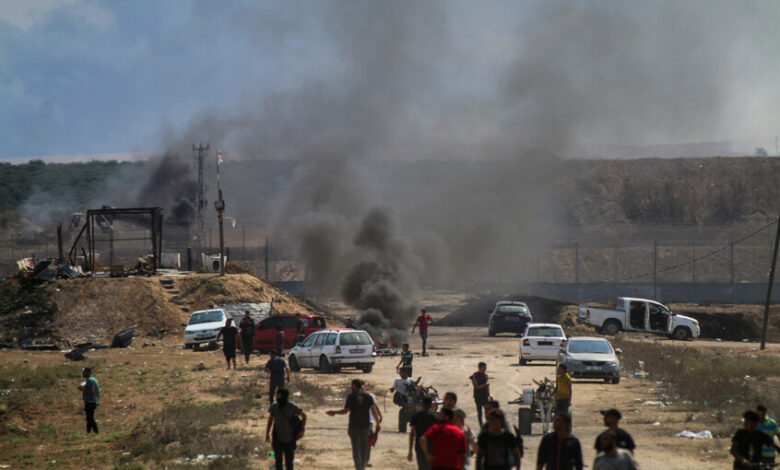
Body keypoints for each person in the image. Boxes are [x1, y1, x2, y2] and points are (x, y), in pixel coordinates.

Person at [327, 379, 382, 470]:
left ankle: (358, 467)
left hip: (354, 426)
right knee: (364, 447)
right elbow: (373, 410)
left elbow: (346, 411)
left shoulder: (351, 396)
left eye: (352, 386)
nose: (351, 387)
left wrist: (334, 412)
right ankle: (363, 466)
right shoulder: (368, 397)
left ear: (355, 386)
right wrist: (377, 423)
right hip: (365, 427)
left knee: (356, 448)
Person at [266, 387, 307, 470]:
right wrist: (267, 433)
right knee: (279, 462)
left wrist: (301, 430)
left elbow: (304, 416)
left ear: (282, 395)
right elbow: (270, 419)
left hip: (290, 438)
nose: (276, 396)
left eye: (278, 394)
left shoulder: (291, 406)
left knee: (288, 463)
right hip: (278, 437)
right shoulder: (274, 406)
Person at [409, 397, 439, 470]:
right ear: (431, 405)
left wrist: (410, 451)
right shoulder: (434, 417)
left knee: (422, 467)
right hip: (432, 446)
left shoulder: (416, 416)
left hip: (419, 446)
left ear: (422, 405)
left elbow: (412, 433)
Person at [391, 367, 417, 433]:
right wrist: (392, 389)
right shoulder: (397, 380)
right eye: (400, 372)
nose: (400, 374)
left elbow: (414, 388)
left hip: (409, 397)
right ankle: (402, 429)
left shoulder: (410, 380)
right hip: (400, 397)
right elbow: (393, 387)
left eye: (401, 372)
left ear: (406, 373)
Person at [364, 383, 382, 468]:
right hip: (360, 423)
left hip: (368, 422)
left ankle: (365, 461)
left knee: (368, 442)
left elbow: (374, 407)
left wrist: (380, 415)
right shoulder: (355, 396)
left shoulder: (370, 396)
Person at [77, 367, 99, 435]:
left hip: (90, 401)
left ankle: (96, 431)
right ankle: (88, 432)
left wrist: (83, 389)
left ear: (88, 372)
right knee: (89, 417)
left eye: (84, 372)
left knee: (90, 418)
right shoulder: (93, 379)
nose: (83, 373)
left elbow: (91, 390)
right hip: (93, 401)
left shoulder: (90, 380)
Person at [470, 362, 490, 427]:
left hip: (485, 396)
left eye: (485, 367)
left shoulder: (486, 375)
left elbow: (487, 386)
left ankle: (487, 425)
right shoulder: (474, 376)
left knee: (488, 412)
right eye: (484, 367)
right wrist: (485, 385)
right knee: (480, 412)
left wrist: (489, 395)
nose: (485, 369)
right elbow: (476, 387)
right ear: (480, 368)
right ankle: (481, 426)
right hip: (478, 396)